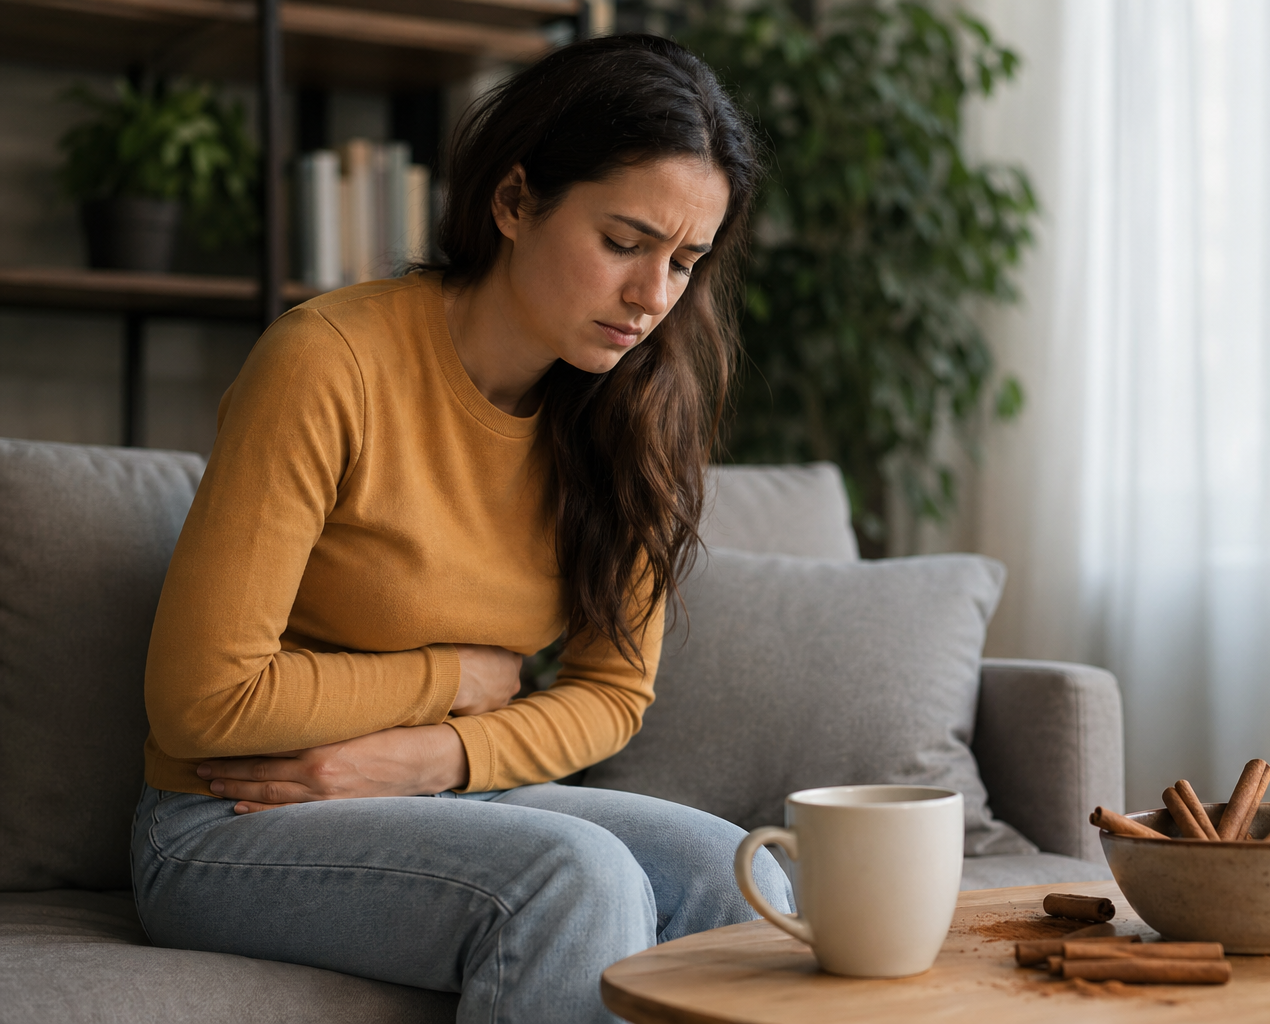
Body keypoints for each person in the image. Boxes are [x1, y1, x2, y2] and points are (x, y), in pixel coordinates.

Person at [130, 34, 792, 1024]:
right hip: (233, 814)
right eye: (624, 242)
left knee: (741, 880)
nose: (653, 298)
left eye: (685, 262)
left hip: (441, 792)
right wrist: (454, 682)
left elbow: (614, 695)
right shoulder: (328, 363)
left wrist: (423, 756)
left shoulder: (639, 413)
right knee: (578, 877)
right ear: (517, 201)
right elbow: (202, 700)